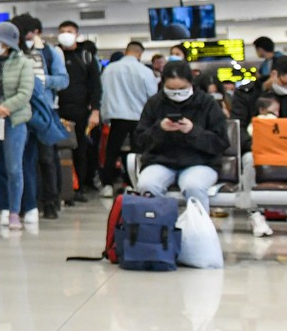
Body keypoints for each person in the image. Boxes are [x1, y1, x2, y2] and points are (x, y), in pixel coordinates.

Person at [234, 54, 287, 239]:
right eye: (286, 83)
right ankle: (255, 213)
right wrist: (255, 145)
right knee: (250, 160)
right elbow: (237, 127)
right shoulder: (247, 94)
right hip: (255, 148)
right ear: (274, 74)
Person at [134, 59, 228, 214]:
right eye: (171, 89)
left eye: (182, 89)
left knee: (194, 186)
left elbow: (220, 142)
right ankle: (155, 229)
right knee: (147, 185)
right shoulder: (154, 103)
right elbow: (140, 141)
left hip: (200, 162)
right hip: (161, 161)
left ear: (191, 83)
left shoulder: (207, 103)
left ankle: (198, 233)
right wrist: (160, 129)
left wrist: (193, 131)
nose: (177, 93)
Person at [0, 21, 35, 233]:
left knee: (14, 168)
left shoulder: (23, 63)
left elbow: (25, 93)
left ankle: (14, 212)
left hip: (15, 121)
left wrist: (4, 108)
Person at [14, 14, 69, 226]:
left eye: (28, 32)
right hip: (19, 111)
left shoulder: (50, 52)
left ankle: (51, 202)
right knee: (22, 159)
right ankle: (28, 202)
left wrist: (42, 81)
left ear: (36, 32)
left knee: (47, 158)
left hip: (44, 110)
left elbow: (63, 80)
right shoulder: (14, 52)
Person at [99, 40, 158, 195]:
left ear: (126, 51)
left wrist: (104, 117)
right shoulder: (145, 71)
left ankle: (107, 185)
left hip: (117, 117)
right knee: (138, 152)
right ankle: (136, 183)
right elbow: (152, 97)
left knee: (111, 151)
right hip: (139, 117)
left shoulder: (109, 69)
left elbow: (103, 95)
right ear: (139, 54)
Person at [56, 20, 103, 205]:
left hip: (81, 111)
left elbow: (95, 86)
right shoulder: (54, 54)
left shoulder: (86, 56)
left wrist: (95, 110)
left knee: (81, 149)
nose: (65, 34)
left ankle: (79, 188)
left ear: (77, 34)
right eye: (62, 31)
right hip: (58, 110)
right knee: (57, 150)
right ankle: (60, 187)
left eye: (69, 31)